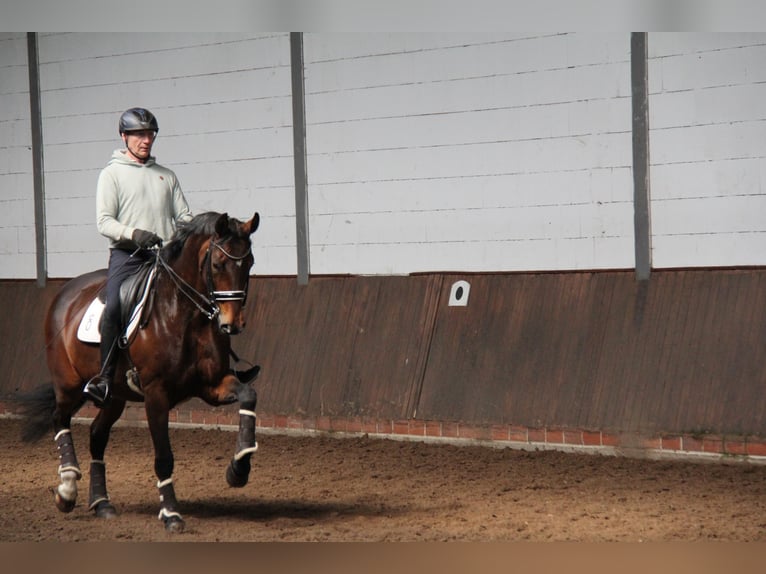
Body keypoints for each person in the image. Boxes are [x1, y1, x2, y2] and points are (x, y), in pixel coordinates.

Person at [83, 107, 193, 407]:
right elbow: (104, 221)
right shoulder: (111, 174)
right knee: (115, 304)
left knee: (197, 297)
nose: (147, 140)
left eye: (150, 134)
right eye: (140, 134)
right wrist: (134, 233)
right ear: (124, 136)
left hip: (165, 256)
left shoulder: (166, 176)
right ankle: (104, 378)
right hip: (128, 256)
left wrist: (189, 232)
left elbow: (184, 216)